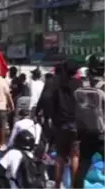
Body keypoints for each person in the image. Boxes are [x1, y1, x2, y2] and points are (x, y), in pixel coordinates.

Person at [72, 52, 105, 189]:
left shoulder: (82, 86)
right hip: (102, 134)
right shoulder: (103, 87)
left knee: (83, 166)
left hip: (85, 133)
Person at [51, 59, 82, 189]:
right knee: (75, 155)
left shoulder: (57, 84)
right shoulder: (79, 84)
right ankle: (74, 185)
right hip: (75, 124)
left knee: (60, 156)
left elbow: (53, 103)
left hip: (61, 124)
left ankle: (57, 184)